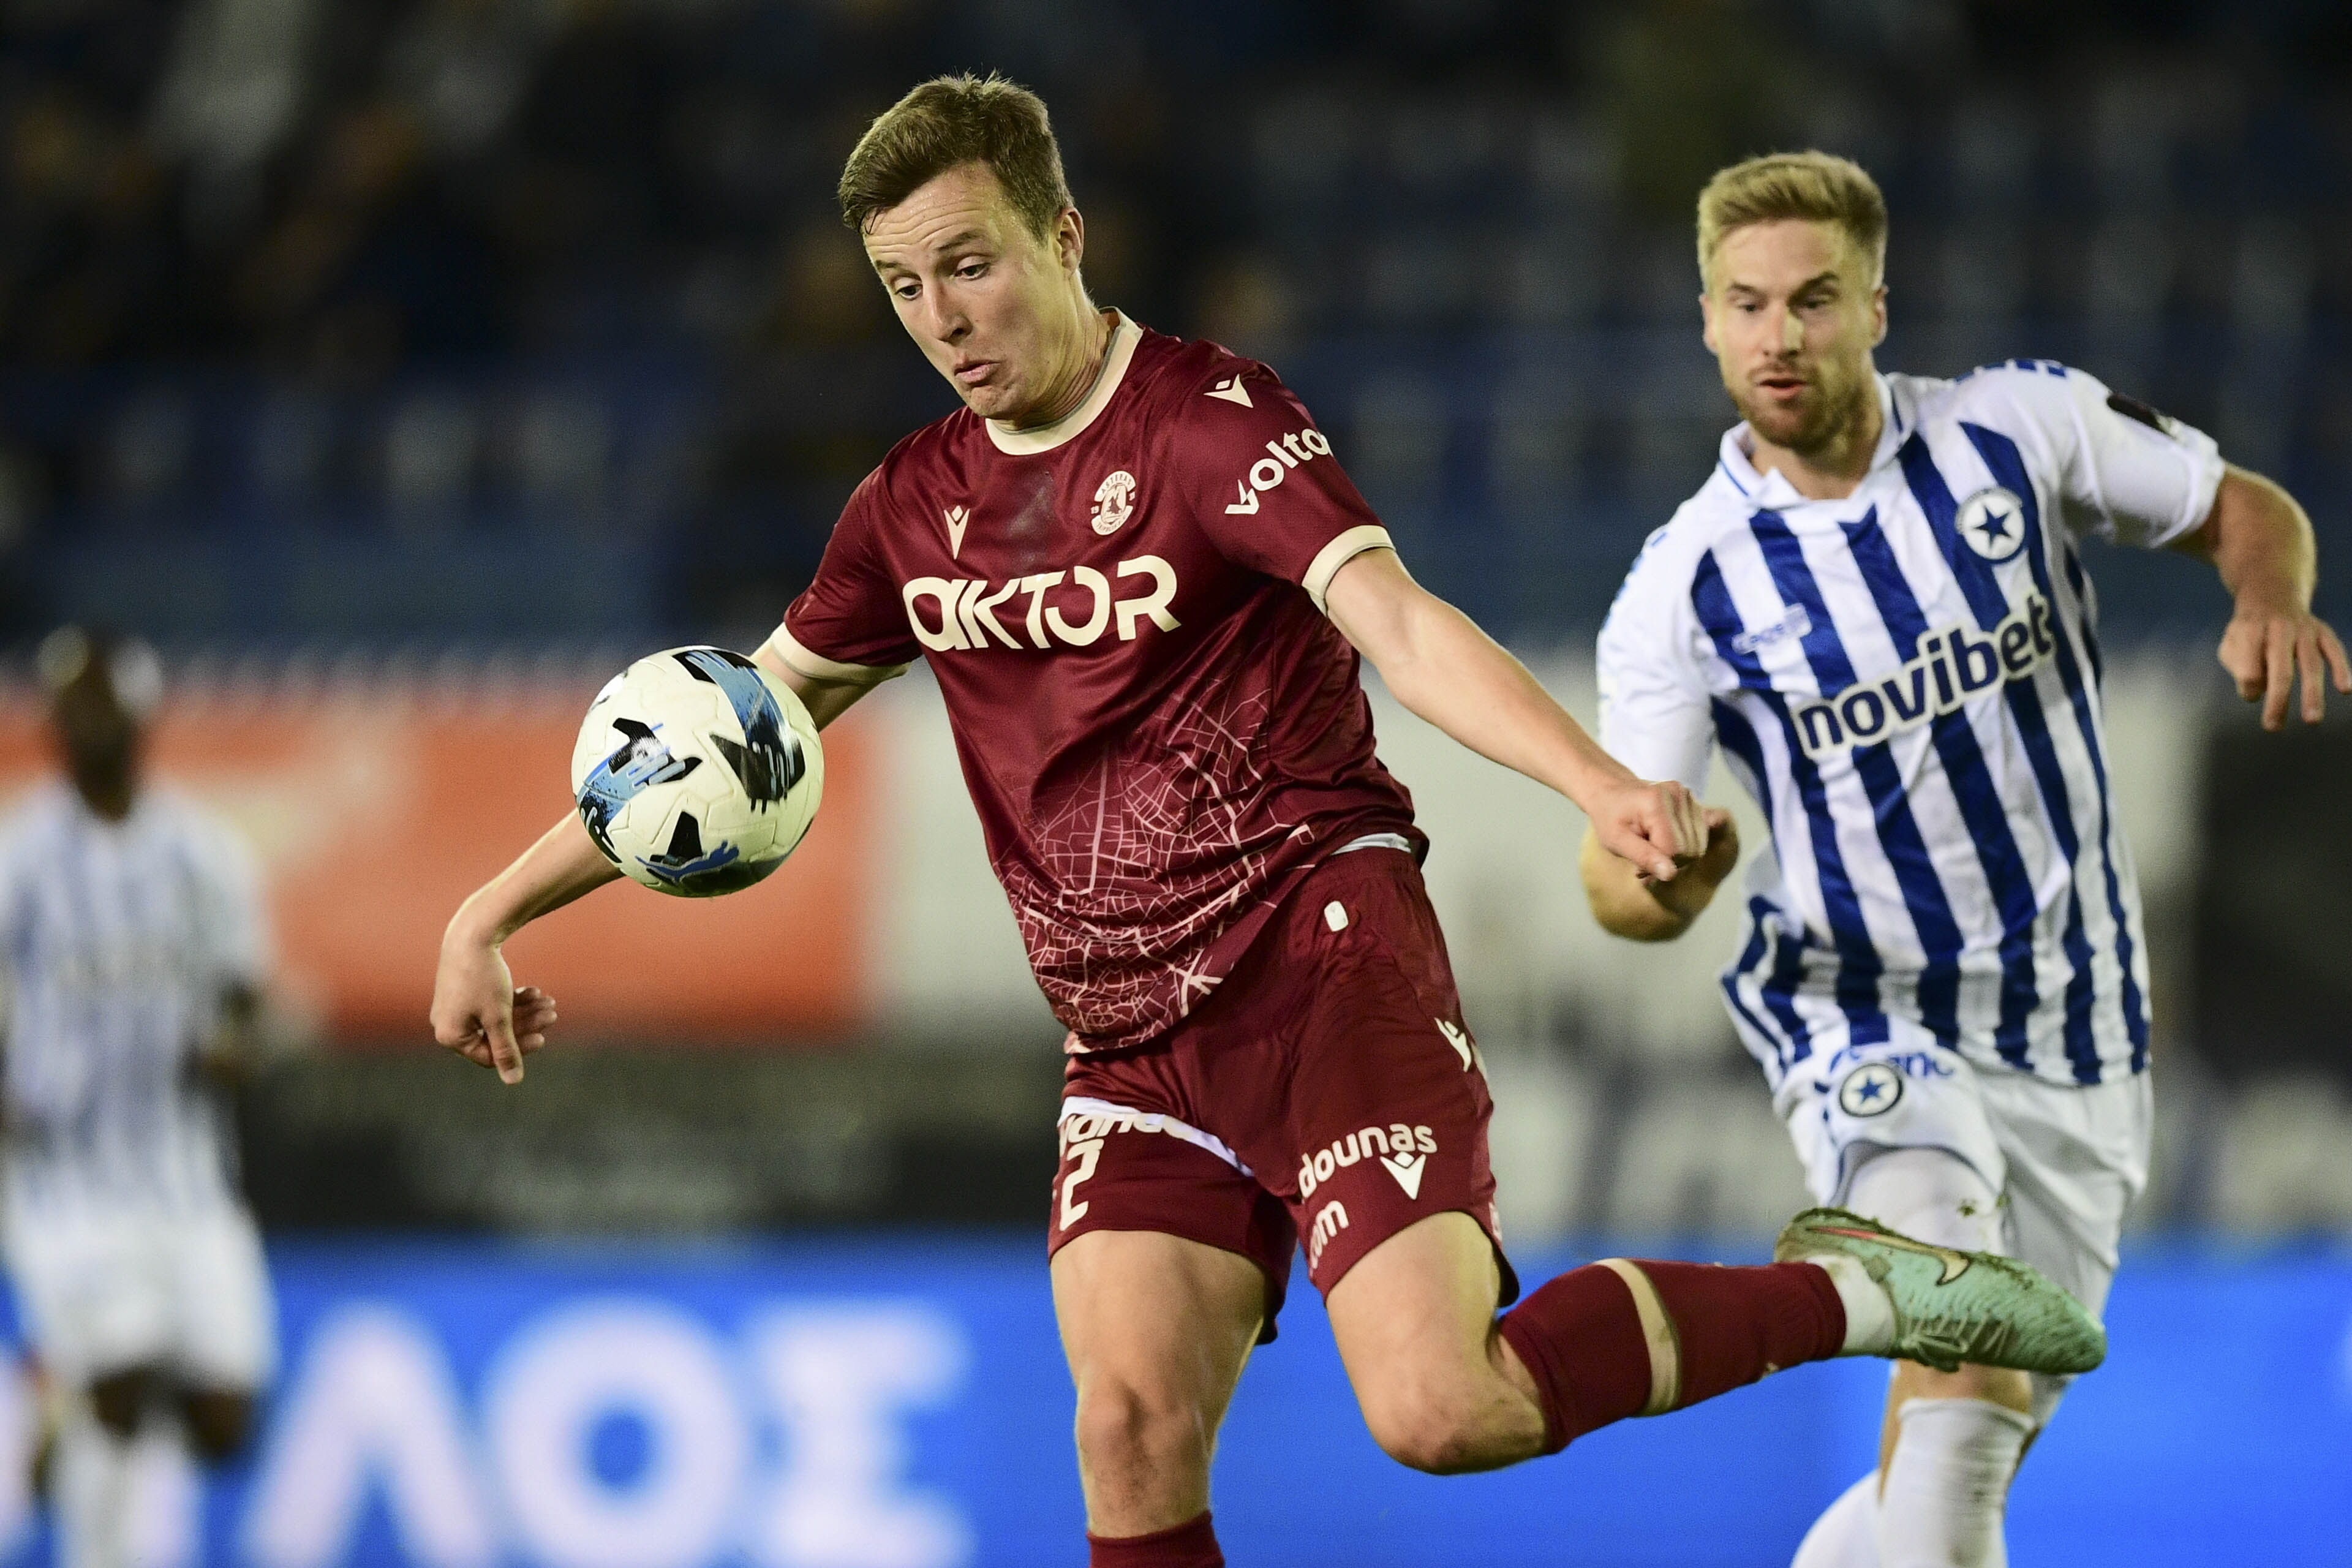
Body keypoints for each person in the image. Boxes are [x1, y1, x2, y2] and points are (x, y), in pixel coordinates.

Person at [431, 79, 2106, 1567]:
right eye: (904, 285)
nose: (942, 316)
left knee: (1446, 1409)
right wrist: (487, 910)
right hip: (1126, 1040)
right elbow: (724, 742)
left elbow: (1404, 627)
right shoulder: (909, 508)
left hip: (1319, 969)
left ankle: (1861, 1286)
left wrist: (1600, 781)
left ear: (1063, 234)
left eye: (972, 263)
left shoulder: (1207, 420)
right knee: (1126, 1431)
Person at [1582, 150, 2350, 1568]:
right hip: (1863, 1013)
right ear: (1707, 321)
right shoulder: (1683, 588)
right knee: (1967, 1339)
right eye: (1747, 304)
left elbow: (2247, 507)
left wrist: (2270, 599)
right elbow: (1619, 871)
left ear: (1878, 307)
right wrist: (1662, 882)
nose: (1780, 335)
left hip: (2080, 1023)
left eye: (1814, 299)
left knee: (1960, 1449)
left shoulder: (2015, 427)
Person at [0, 628, 281, 1568]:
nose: (79, 722)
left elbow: (245, 994)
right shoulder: (21, 858)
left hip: (185, 1175)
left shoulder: (203, 855)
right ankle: (88, 1421)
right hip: (65, 1179)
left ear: (140, 713)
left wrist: (234, 1048)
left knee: (225, 1421)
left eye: (97, 701)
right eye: (66, 704)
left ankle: (63, 1397)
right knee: (122, 1374)